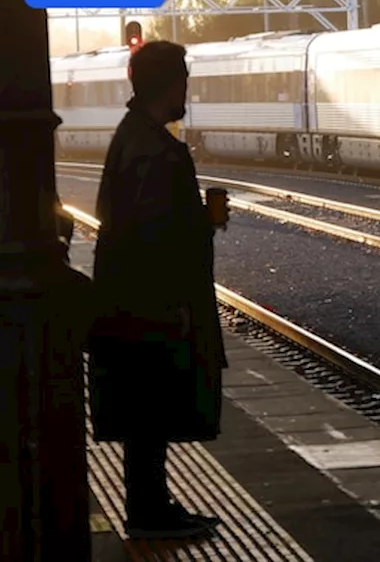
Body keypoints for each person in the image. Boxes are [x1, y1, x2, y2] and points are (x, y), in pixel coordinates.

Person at [87, 40, 228, 539]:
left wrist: (198, 224)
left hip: (136, 298)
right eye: (184, 77)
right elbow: (153, 233)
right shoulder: (152, 150)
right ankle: (149, 514)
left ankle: (153, 504)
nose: (187, 86)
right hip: (152, 302)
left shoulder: (135, 137)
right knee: (151, 410)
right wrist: (175, 303)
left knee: (147, 410)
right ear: (168, 83)